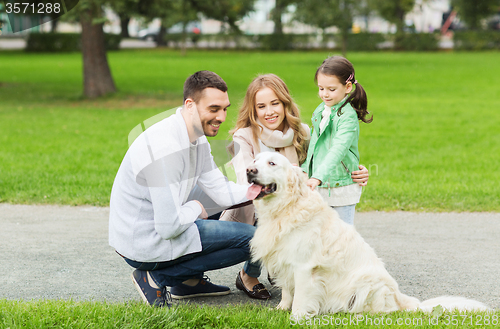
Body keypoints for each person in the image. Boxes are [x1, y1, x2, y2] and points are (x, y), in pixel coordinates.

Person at [109, 71, 270, 308]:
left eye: (225, 108)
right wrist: (195, 208)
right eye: (214, 109)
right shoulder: (166, 149)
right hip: (143, 241)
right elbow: (168, 227)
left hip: (161, 221)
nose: (222, 116)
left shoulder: (195, 135)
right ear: (190, 105)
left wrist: (256, 191)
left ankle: (188, 282)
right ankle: (155, 278)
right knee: (254, 241)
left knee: (209, 196)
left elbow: (217, 187)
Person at [220, 74, 369, 286]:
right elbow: (245, 177)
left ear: (285, 103)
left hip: (291, 209)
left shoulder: (302, 133)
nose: (269, 111)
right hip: (254, 205)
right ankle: (249, 274)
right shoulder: (243, 136)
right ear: (253, 111)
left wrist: (357, 170)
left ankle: (287, 267)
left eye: (275, 103)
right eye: (261, 106)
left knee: (309, 222)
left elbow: (329, 159)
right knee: (267, 222)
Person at [302, 56, 373, 225]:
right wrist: (306, 170)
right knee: (320, 233)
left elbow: (338, 149)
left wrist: (317, 177)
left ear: (348, 87)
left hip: (341, 185)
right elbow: (314, 144)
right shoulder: (321, 109)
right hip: (321, 184)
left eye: (331, 89)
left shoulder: (347, 116)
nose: (324, 94)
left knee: (342, 235)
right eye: (321, 88)